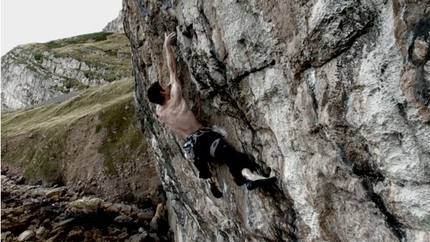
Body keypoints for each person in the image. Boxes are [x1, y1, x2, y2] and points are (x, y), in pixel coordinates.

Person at [147, 32, 276, 198]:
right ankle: (250, 177)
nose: (166, 85)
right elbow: (172, 69)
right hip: (205, 140)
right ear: (164, 94)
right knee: (233, 156)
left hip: (192, 148)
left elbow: (168, 85)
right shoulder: (175, 99)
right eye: (164, 87)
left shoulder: (160, 112)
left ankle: (211, 182)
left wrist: (170, 85)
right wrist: (167, 47)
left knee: (206, 159)